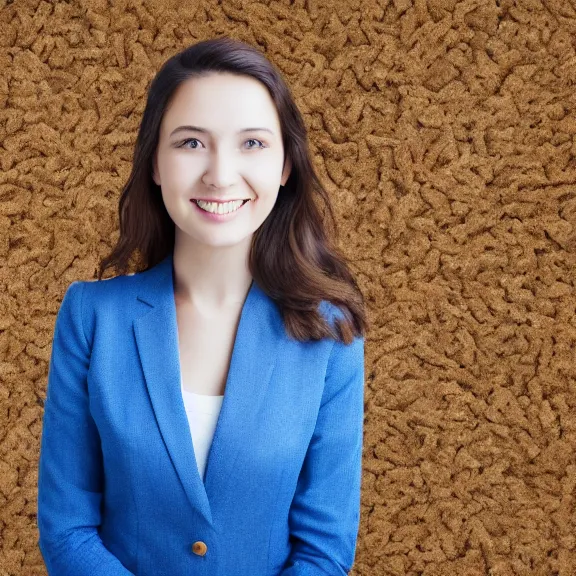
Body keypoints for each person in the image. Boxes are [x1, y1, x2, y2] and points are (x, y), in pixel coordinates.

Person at [37, 36, 367, 576]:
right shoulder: (92, 317)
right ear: (155, 164)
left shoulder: (330, 335)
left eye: (252, 144)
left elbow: (325, 552)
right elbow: (67, 528)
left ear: (286, 166)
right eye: (191, 143)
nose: (219, 173)